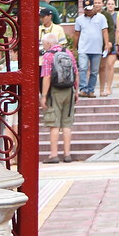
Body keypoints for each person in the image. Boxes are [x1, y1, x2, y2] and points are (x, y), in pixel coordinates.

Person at [40, 32, 78, 163]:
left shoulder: (48, 55)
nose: (44, 46)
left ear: (49, 43)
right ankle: (67, 154)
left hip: (54, 91)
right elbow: (75, 71)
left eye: (44, 44)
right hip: (69, 90)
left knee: (54, 124)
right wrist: (76, 90)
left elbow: (46, 76)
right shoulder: (68, 53)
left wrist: (44, 95)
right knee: (67, 124)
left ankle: (53, 155)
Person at [73, 0, 108, 98]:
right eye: (86, 9)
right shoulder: (79, 20)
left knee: (94, 71)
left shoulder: (101, 18)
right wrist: (74, 48)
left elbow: (104, 31)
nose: (88, 11)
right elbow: (76, 34)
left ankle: (91, 90)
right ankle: (83, 89)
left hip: (96, 49)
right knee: (83, 68)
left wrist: (106, 44)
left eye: (90, 9)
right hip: (83, 48)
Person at [95, 0, 117, 97]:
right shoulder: (91, 14)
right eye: (95, 2)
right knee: (100, 67)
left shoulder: (106, 15)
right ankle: (99, 88)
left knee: (108, 65)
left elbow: (111, 30)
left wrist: (110, 42)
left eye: (99, 3)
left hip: (107, 44)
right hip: (95, 45)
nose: (97, 4)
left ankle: (108, 87)